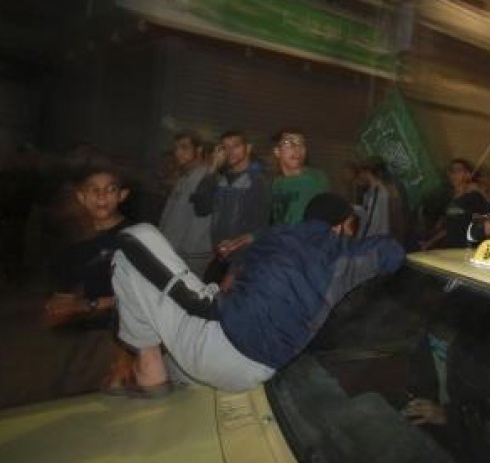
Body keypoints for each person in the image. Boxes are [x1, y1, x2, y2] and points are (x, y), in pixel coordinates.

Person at [108, 193, 405, 395]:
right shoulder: (346, 256)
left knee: (133, 238)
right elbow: (393, 252)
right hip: (256, 373)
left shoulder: (278, 235)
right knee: (200, 307)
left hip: (217, 343)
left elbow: (240, 269)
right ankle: (159, 374)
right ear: (341, 224)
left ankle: (147, 363)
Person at [43, 166, 135, 394]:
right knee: (70, 390)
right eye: (93, 190)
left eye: (109, 189)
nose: (101, 196)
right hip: (90, 332)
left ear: (122, 195)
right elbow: (63, 297)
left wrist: (87, 305)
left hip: (126, 334)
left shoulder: (135, 236)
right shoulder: (75, 246)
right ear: (81, 197)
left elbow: (144, 297)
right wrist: (60, 307)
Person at [191, 130, 271, 278]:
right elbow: (201, 208)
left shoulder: (258, 181)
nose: (230, 151)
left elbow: (261, 227)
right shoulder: (221, 178)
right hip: (219, 257)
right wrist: (212, 170)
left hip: (241, 264)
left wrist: (235, 270)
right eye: (225, 147)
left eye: (236, 146)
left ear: (248, 148)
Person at [158, 131, 213, 275]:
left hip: (189, 255)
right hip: (172, 250)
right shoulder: (184, 177)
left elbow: (202, 219)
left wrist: (183, 252)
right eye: (176, 148)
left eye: (184, 147)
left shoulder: (206, 178)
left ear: (199, 149)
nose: (178, 153)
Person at [420, 158, 490, 250]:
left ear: (468, 174)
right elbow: (448, 227)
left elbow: (489, 218)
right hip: (450, 248)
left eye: (459, 170)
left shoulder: (473, 197)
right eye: (452, 170)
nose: (454, 173)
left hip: (467, 249)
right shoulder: (448, 198)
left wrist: (480, 191)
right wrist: (429, 242)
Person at [270, 129, 330, 226]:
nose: (296, 149)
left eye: (301, 144)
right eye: (288, 143)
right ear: (277, 151)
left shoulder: (313, 180)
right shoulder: (277, 183)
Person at [356, 157, 407, 244]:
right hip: (383, 241)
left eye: (360, 172)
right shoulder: (382, 189)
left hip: (375, 242)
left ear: (368, 172)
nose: (360, 176)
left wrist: (360, 242)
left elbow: (371, 221)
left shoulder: (377, 192)